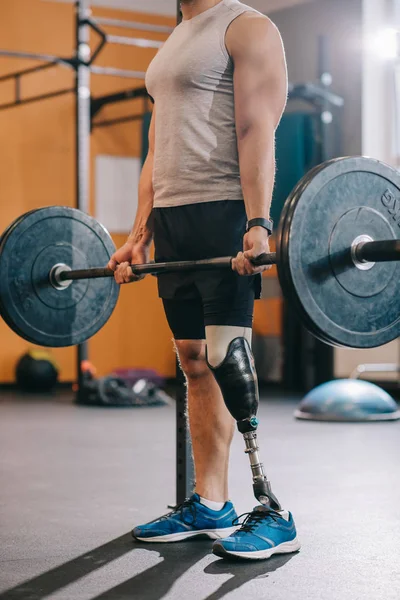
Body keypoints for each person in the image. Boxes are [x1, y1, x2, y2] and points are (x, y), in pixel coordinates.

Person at [108, 0, 300, 561]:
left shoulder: (246, 27)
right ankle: (211, 503)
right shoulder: (178, 37)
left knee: (225, 353)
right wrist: (140, 233)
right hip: (175, 219)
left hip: (223, 211)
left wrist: (259, 222)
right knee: (193, 358)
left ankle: (273, 509)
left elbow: (255, 125)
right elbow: (156, 147)